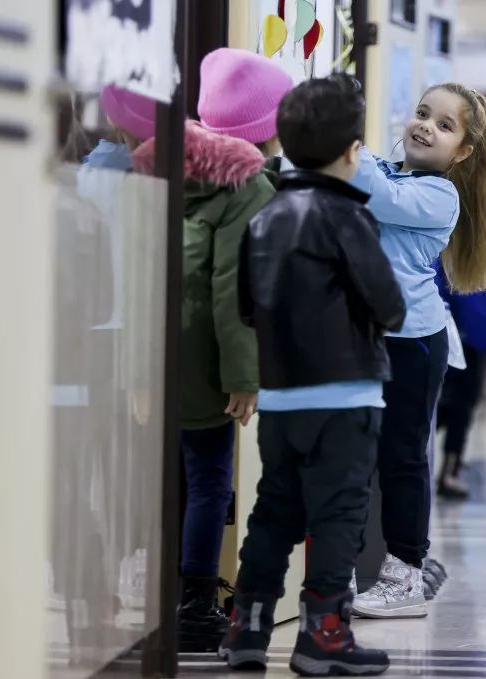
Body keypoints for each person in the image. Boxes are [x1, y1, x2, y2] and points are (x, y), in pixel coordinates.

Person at [218, 75, 403, 677]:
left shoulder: (263, 218)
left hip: (280, 397)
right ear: (352, 152)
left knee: (274, 511)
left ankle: (246, 628)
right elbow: (389, 306)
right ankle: (324, 635)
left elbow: (248, 307)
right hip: (345, 396)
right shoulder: (348, 216)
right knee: (339, 516)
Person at [132, 48, 293, 652]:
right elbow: (234, 290)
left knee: (163, 475)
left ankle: (156, 591)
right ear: (268, 126)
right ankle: (196, 606)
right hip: (206, 359)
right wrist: (244, 377)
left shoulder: (159, 167)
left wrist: (135, 367)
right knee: (209, 480)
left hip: (153, 346)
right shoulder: (248, 188)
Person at [349, 84, 486, 619]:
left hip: (412, 342)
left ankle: (405, 577)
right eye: (421, 113)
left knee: (403, 458)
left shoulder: (440, 195)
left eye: (444, 125)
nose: (425, 126)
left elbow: (376, 195)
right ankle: (347, 567)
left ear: (463, 151)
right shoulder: (382, 167)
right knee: (354, 456)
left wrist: (339, 136)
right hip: (364, 337)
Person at [433, 261, 486, 500]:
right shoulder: (464, 244)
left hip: (472, 333)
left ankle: (450, 466)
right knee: (458, 406)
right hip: (467, 336)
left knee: (459, 405)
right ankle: (449, 471)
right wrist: (480, 332)